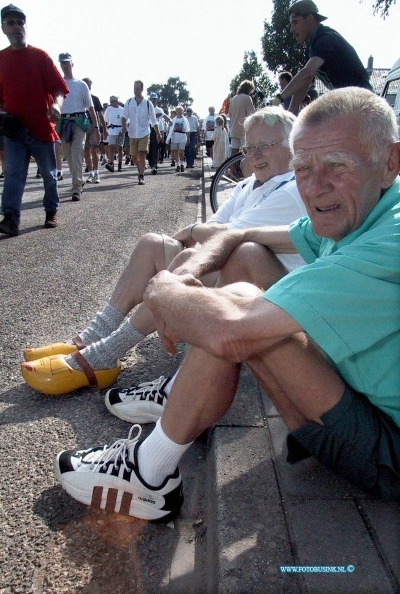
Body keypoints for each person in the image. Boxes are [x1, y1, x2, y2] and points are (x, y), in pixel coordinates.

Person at [52, 88, 400, 520]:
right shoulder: (367, 206)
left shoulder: (393, 237)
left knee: (234, 311)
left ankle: (149, 471)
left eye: (336, 165)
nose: (313, 186)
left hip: (386, 451)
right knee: (247, 260)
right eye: (303, 168)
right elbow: (236, 236)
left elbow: (228, 329)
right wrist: (185, 275)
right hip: (353, 403)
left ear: (390, 162)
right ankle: (180, 394)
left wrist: (162, 290)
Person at [21, 107, 307, 397]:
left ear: (292, 147)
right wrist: (201, 232)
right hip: (231, 276)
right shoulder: (249, 184)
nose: (254, 155)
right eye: (250, 147)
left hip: (262, 296)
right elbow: (215, 227)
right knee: (152, 244)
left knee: (196, 256)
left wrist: (194, 231)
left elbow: (224, 236)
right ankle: (93, 337)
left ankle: (103, 355)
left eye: (265, 146)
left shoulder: (290, 190)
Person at [0, 4, 68, 235]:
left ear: (26, 26)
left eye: (20, 22)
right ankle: (10, 218)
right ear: (3, 28)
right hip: (14, 130)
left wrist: (56, 105)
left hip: (41, 127)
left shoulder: (40, 57)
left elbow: (59, 88)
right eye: (11, 22)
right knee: (13, 174)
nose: (17, 27)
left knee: (49, 175)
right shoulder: (1, 59)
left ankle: (51, 211)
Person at [270, 0, 372, 113]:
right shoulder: (311, 48)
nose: (291, 29)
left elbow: (307, 73)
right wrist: (289, 113)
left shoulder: (325, 39)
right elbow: (304, 83)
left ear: (309, 19)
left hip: (364, 104)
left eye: (295, 23)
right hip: (351, 104)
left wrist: (279, 98)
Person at [58, 53, 100, 201]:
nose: (65, 66)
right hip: (63, 123)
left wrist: (96, 128)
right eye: (62, 63)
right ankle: (79, 180)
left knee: (77, 153)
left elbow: (90, 108)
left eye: (67, 63)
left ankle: (76, 187)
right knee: (68, 156)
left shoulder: (81, 85)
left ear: (72, 64)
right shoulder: (58, 83)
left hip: (79, 123)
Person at [121, 81, 161, 185]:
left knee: (142, 154)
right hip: (132, 133)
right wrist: (123, 126)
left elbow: (153, 120)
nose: (136, 91)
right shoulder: (129, 102)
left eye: (138, 88)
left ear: (142, 89)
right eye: (134, 88)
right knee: (133, 155)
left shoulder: (148, 103)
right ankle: (140, 167)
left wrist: (158, 133)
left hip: (144, 132)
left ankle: (141, 176)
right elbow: (124, 116)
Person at [82, 77, 105, 184]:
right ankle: (90, 173)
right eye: (86, 84)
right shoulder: (79, 99)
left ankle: (96, 173)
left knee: (94, 150)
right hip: (82, 126)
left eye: (89, 85)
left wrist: (103, 129)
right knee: (86, 151)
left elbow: (100, 114)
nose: (88, 87)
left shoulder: (94, 99)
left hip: (93, 126)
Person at [228, 80, 255, 156]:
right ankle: (245, 168)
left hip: (234, 129)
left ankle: (232, 168)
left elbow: (229, 114)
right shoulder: (247, 98)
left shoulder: (233, 99)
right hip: (244, 130)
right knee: (247, 153)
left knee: (234, 152)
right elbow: (251, 115)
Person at [166, 106, 190, 173]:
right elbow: (170, 128)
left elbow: (188, 130)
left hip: (182, 136)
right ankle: (178, 165)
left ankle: (182, 164)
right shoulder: (174, 120)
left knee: (181, 152)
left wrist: (188, 138)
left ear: (182, 111)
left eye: (180, 110)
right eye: (178, 111)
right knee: (175, 152)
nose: (179, 112)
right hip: (174, 137)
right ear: (176, 112)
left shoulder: (185, 120)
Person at [103, 96, 124, 173]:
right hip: (111, 130)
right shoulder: (108, 109)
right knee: (111, 147)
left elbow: (125, 121)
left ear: (116, 101)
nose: (112, 103)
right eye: (111, 102)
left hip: (120, 130)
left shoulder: (122, 110)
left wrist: (123, 130)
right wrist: (105, 131)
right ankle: (111, 164)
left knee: (120, 148)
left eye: (113, 101)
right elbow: (105, 121)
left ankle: (120, 164)